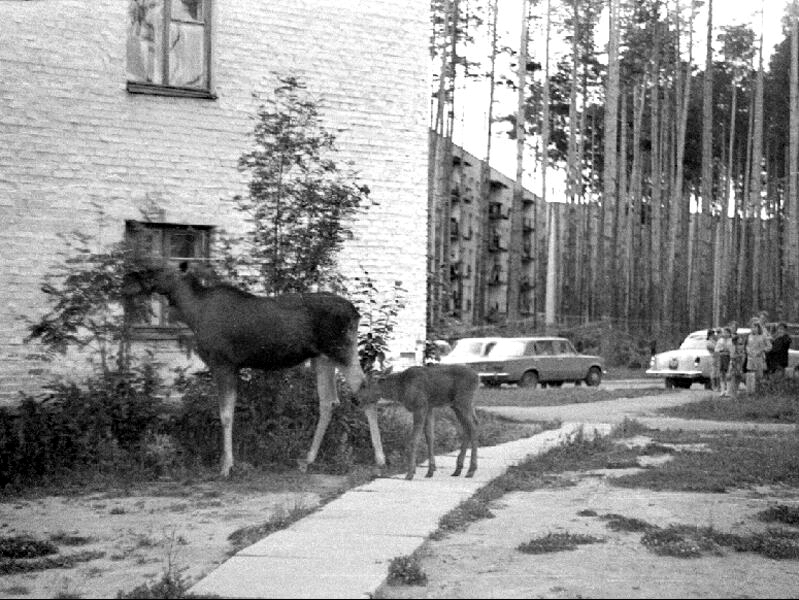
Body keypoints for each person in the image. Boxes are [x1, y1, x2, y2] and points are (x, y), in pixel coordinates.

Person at [744, 318, 772, 393]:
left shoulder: (763, 336)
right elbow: (746, 346)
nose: (753, 329)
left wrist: (762, 350)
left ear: (758, 328)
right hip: (750, 358)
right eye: (752, 327)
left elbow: (769, 346)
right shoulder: (749, 336)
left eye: (755, 327)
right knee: (751, 375)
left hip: (759, 358)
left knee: (759, 376)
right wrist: (748, 351)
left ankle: (759, 391)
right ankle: (750, 391)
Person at [715, 327, 733, 397]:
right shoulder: (720, 340)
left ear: (729, 333)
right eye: (724, 332)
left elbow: (732, 349)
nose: (725, 334)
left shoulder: (731, 341)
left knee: (728, 374)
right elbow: (716, 349)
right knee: (721, 374)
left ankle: (728, 391)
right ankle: (722, 391)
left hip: (728, 357)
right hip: (721, 357)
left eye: (727, 332)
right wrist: (721, 349)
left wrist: (728, 350)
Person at [728, 333, 745, 399]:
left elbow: (743, 355)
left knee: (738, 379)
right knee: (733, 379)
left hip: (740, 364)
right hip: (734, 364)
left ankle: (735, 394)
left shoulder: (741, 346)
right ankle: (732, 395)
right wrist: (740, 355)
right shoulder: (733, 347)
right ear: (736, 340)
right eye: (739, 339)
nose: (740, 340)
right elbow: (732, 356)